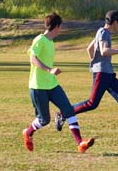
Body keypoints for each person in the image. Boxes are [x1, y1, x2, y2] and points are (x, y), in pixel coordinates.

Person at [58, 9, 118, 141]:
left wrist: (93, 61)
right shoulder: (103, 33)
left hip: (108, 73)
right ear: (115, 22)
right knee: (92, 103)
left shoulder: (101, 32)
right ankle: (63, 114)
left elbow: (89, 49)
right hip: (102, 74)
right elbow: (104, 51)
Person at [22, 12, 95, 154]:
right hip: (38, 86)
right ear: (57, 26)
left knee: (68, 109)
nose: (60, 30)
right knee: (44, 120)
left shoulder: (50, 42)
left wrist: (51, 73)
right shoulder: (40, 40)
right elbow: (33, 59)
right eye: (60, 27)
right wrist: (50, 70)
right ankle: (28, 132)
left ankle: (80, 143)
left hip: (52, 85)